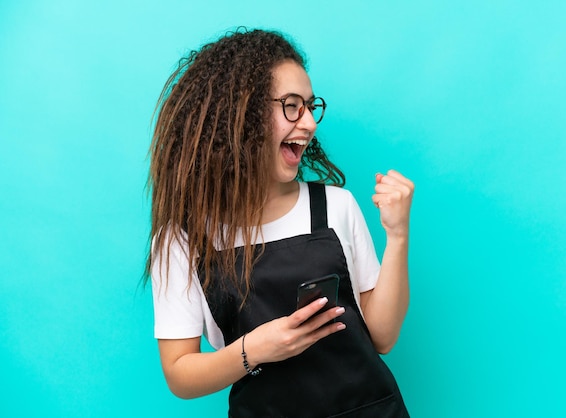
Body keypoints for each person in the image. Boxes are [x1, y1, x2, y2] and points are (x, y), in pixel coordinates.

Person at [147, 28, 414, 417]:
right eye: (292, 106)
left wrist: (398, 235)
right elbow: (179, 373)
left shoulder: (334, 206)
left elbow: (384, 337)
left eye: (310, 106)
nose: (308, 123)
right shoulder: (182, 240)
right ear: (239, 115)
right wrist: (255, 348)